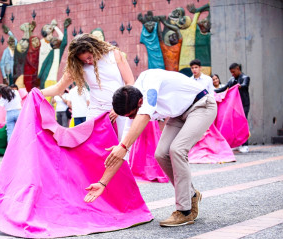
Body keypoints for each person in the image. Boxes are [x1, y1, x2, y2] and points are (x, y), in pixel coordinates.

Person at [84, 69, 217, 227]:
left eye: (132, 115)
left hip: (201, 105)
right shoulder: (133, 107)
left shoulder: (150, 80)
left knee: (177, 150)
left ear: (140, 102)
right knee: (161, 154)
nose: (132, 119)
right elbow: (122, 153)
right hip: (178, 115)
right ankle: (191, 195)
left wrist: (124, 145)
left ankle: (185, 211)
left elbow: (144, 116)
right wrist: (103, 183)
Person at [42, 33, 134, 141]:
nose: (88, 62)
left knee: (123, 147)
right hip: (96, 113)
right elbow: (58, 88)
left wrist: (120, 107)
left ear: (95, 48)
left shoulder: (114, 54)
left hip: (121, 110)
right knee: (95, 148)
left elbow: (130, 81)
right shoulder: (78, 66)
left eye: (89, 57)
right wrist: (37, 92)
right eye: (84, 60)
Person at [215, 63, 250, 153]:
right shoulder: (232, 79)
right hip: (234, 105)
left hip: (244, 104)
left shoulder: (245, 77)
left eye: (233, 72)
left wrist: (239, 86)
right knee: (234, 124)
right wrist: (213, 91)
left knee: (242, 123)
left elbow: (245, 85)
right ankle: (236, 144)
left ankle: (245, 144)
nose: (232, 74)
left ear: (238, 69)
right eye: (231, 72)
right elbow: (224, 88)